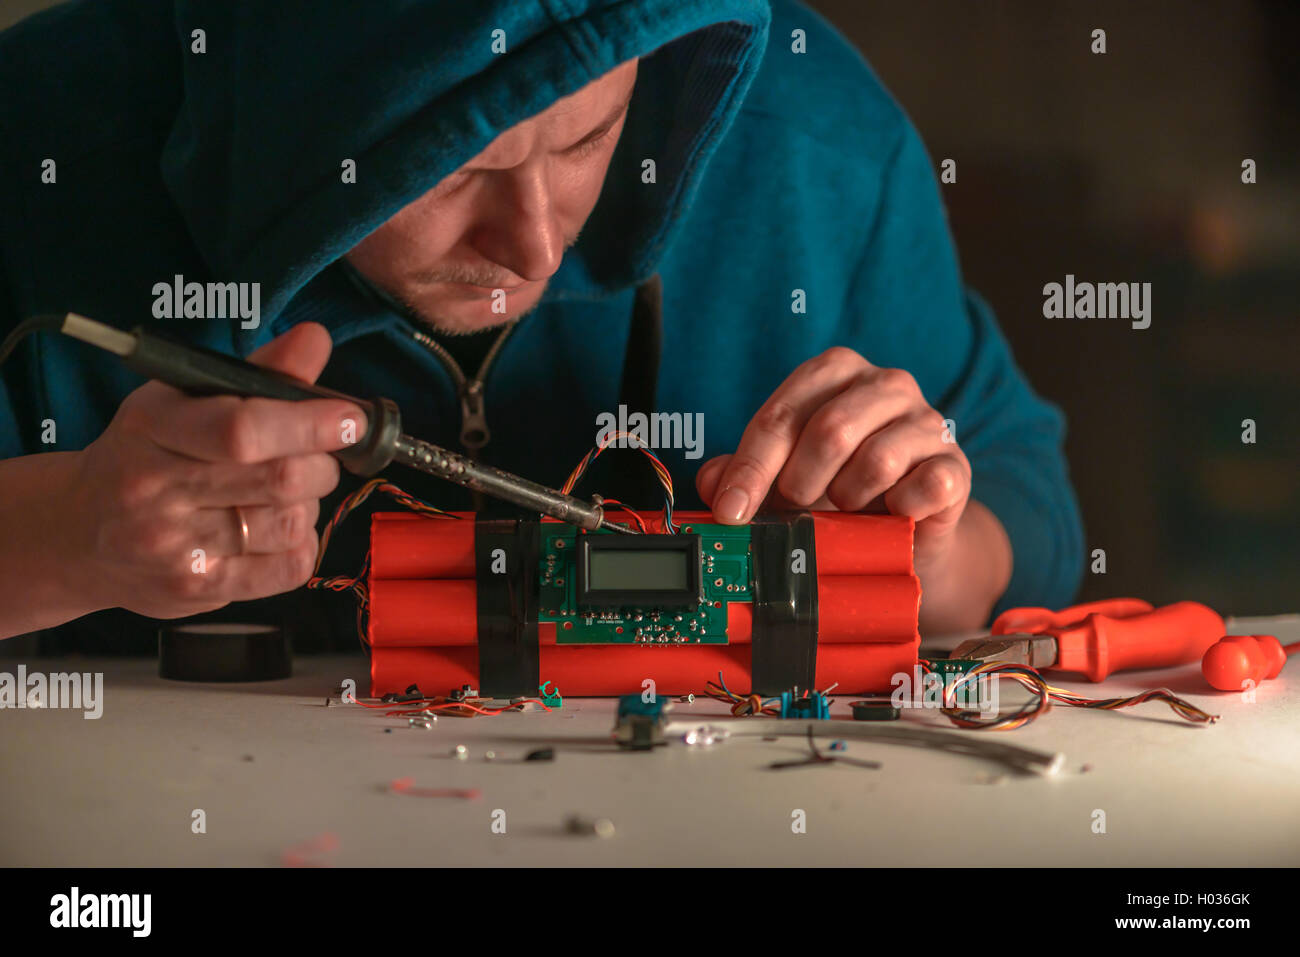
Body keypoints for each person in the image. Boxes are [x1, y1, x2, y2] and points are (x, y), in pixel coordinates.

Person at [0, 0, 1083, 649]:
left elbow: (1025, 497)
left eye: (582, 143)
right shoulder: (38, 136)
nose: (530, 246)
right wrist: (59, 539)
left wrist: (925, 556)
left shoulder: (809, 140)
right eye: (457, 165)